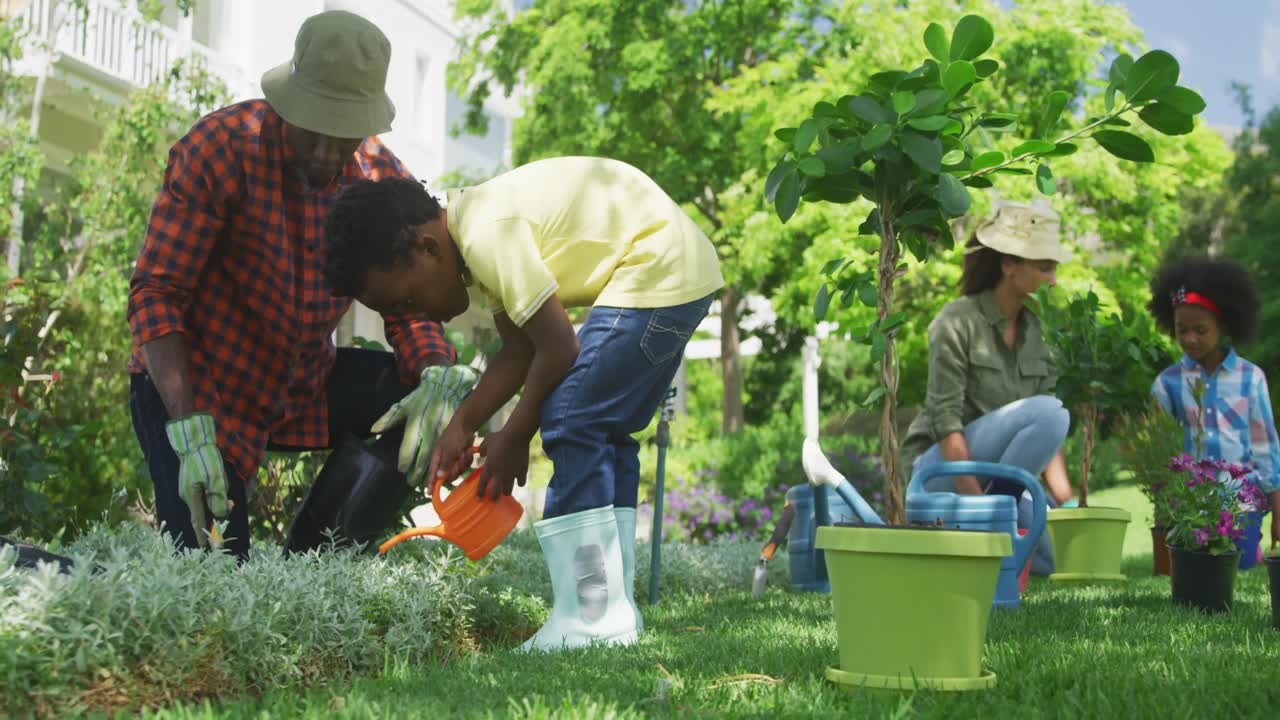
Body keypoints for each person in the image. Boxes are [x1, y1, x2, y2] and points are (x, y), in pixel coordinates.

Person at [322, 156, 724, 651]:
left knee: (571, 417)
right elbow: (519, 348)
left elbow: (558, 346)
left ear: (428, 247)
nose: (417, 314)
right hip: (675, 267)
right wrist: (463, 423)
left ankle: (590, 618)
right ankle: (611, 611)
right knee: (598, 430)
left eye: (407, 300)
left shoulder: (486, 235)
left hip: (656, 268)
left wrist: (514, 436)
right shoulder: (472, 236)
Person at [127, 10, 459, 563]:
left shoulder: (378, 181)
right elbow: (156, 293)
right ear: (287, 102)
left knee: (425, 399)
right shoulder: (220, 149)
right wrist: (188, 426)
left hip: (299, 383)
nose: (327, 155)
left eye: (342, 136)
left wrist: (435, 374)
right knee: (213, 576)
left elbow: (409, 305)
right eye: (314, 131)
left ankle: (310, 566)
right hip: (196, 392)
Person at [900, 201, 1076, 570]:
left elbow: (1048, 440)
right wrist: (980, 512)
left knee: (1055, 558)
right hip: (939, 476)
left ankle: (995, 523)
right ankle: (986, 522)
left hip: (996, 483)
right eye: (1044, 267)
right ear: (1008, 264)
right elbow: (945, 421)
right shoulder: (957, 321)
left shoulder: (1039, 331)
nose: (1053, 281)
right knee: (1054, 413)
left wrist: (1068, 505)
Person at [1148, 257, 1280, 567]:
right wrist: (1163, 511)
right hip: (1190, 503)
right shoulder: (1167, 384)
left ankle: (1250, 545)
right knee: (1199, 567)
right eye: (1182, 330)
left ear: (1224, 326)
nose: (1190, 339)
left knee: (1240, 564)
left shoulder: (1250, 378)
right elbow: (1159, 453)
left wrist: (1277, 511)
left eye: (1201, 330)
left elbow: (1266, 448)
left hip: (1241, 499)